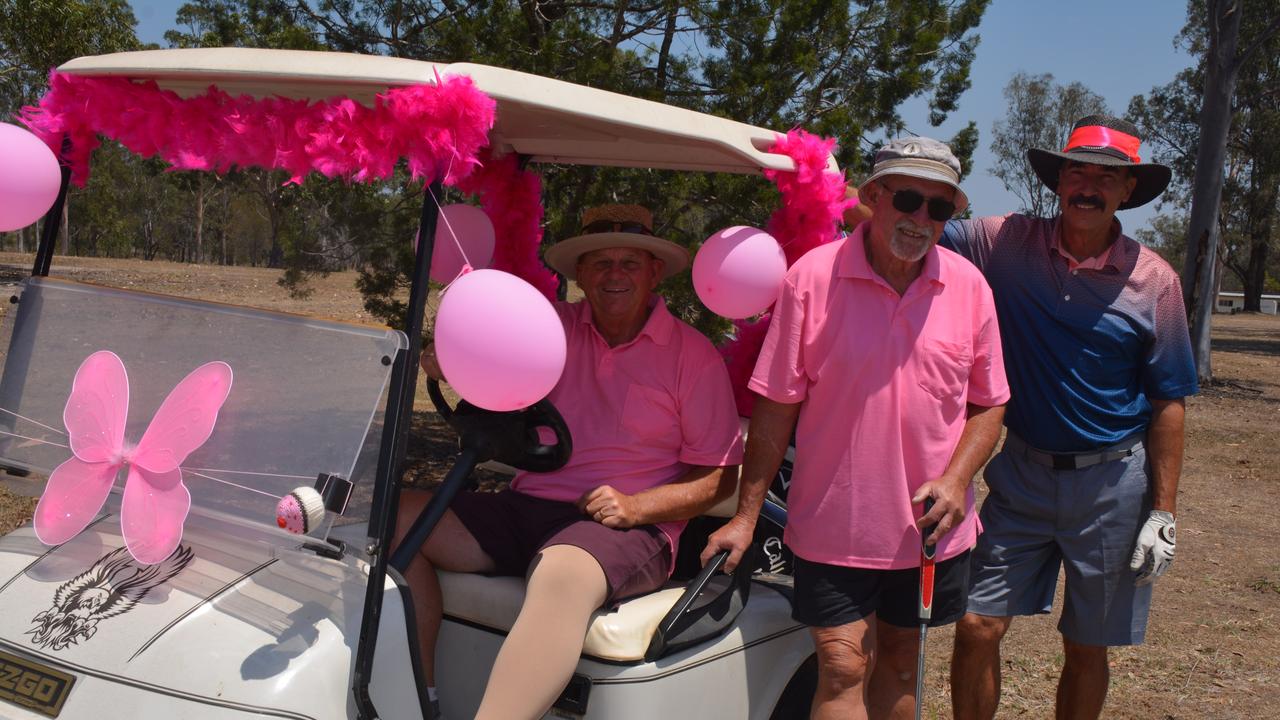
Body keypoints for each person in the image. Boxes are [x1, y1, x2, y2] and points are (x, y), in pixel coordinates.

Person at [702, 137, 1010, 719]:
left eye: (939, 209)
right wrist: (745, 517)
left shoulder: (970, 286)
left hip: (927, 529)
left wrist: (956, 478)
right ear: (871, 196)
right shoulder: (812, 278)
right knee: (843, 665)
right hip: (832, 523)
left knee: (898, 660)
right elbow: (775, 403)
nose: (922, 220)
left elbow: (989, 404)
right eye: (910, 200)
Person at [398, 204, 744, 720]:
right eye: (600, 263)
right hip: (529, 506)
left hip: (625, 527)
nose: (614, 274)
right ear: (579, 274)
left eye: (630, 262)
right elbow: (490, 360)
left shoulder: (692, 356)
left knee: (563, 573)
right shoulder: (549, 326)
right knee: (400, 517)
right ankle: (417, 700)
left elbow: (720, 478)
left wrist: (636, 506)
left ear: (653, 272)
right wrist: (446, 356)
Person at [943, 115, 1199, 720]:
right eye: (1078, 171)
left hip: (1113, 485)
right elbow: (914, 227)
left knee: (1086, 645)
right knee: (976, 625)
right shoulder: (1002, 241)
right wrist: (828, 188)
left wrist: (1163, 512)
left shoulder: (1155, 281)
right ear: (1058, 180)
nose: (1089, 185)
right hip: (1022, 471)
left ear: (1128, 191)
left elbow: (1168, 401)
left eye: (1107, 176)